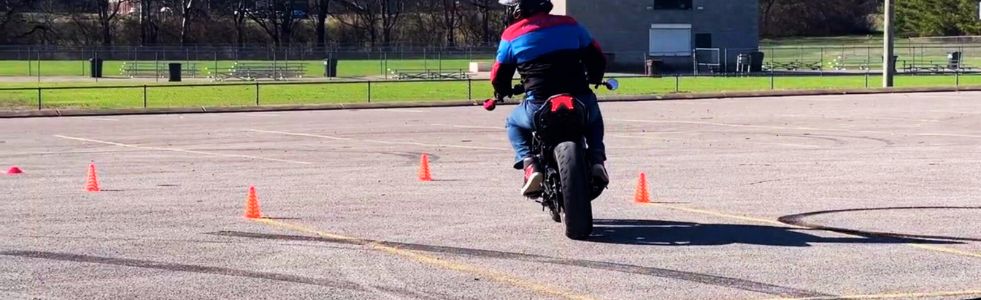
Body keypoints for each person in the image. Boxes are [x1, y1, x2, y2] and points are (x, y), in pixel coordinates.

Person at [491, 0, 608, 197]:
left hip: (537, 104)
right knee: (593, 119)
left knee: (513, 123)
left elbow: (499, 74)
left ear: (518, 9)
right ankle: (597, 159)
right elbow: (597, 56)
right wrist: (595, 77)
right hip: (578, 98)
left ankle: (529, 163)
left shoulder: (511, 35)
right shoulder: (570, 24)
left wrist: (501, 91)